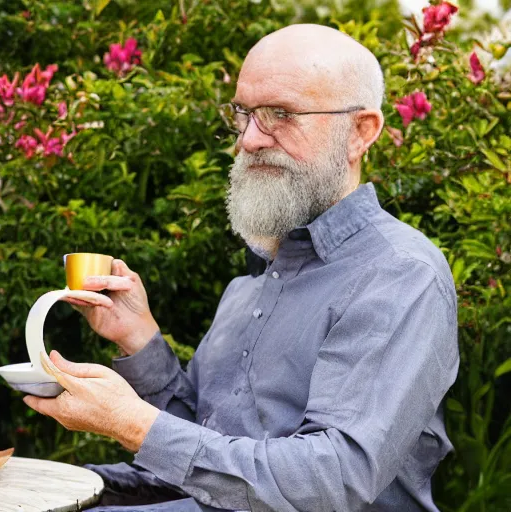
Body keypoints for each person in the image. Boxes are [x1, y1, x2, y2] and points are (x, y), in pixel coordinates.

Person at [23, 23, 459, 511]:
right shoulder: (249, 286)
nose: (250, 139)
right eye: (245, 113)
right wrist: (139, 339)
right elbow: (205, 458)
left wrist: (133, 423)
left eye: (280, 114)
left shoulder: (399, 275)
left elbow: (335, 479)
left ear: (360, 132)